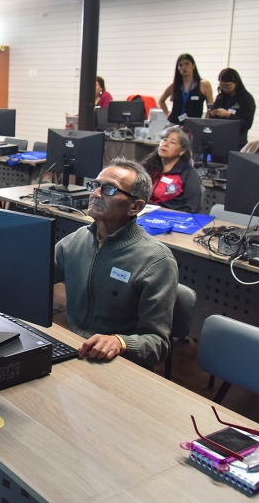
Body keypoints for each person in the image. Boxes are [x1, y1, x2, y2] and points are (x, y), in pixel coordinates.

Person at [54, 157, 178, 366]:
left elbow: (158, 344)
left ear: (135, 206)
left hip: (118, 361)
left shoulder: (156, 261)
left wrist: (120, 342)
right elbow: (36, 278)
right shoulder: (76, 240)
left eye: (109, 189)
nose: (95, 193)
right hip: (76, 349)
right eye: (95, 185)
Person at [141, 126, 202, 213]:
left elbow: (191, 208)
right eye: (164, 140)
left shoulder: (188, 173)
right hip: (144, 215)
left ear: (182, 151)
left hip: (173, 219)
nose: (165, 144)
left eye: (172, 142)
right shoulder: (149, 167)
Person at [158, 54, 214, 125]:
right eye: (180, 65)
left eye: (187, 64)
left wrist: (206, 121)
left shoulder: (204, 84)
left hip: (194, 125)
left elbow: (211, 106)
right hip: (174, 123)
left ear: (193, 66)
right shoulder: (174, 85)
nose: (184, 67)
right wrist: (167, 114)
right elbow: (161, 101)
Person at [208, 68, 256, 148]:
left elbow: (247, 124)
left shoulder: (246, 98)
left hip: (236, 141)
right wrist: (213, 113)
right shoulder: (221, 97)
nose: (225, 89)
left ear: (236, 82)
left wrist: (229, 115)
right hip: (218, 139)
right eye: (222, 86)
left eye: (228, 86)